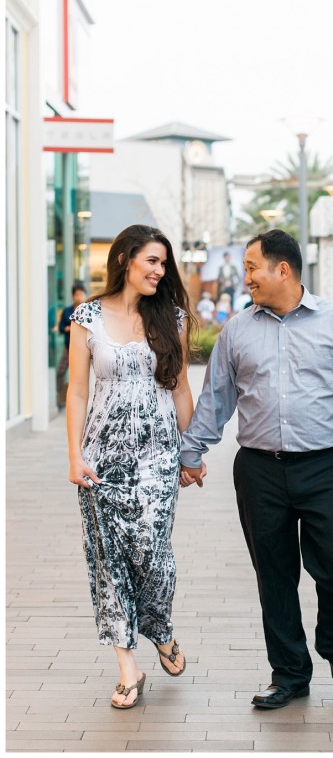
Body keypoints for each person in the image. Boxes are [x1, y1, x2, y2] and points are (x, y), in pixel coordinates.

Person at [180, 229, 333, 709]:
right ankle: (290, 673)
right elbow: (216, 400)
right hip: (259, 470)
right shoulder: (237, 330)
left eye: (253, 267)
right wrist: (192, 453)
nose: (246, 277)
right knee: (273, 574)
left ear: (283, 270)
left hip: (326, 468)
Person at [66, 224, 198, 710]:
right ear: (125, 260)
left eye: (165, 264)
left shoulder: (172, 317)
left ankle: (159, 628)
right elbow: (77, 391)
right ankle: (128, 668)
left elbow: (181, 388)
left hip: (159, 456)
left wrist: (192, 452)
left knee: (152, 552)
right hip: (102, 459)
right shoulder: (87, 317)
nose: (160, 272)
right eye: (152, 262)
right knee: (107, 561)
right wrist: (75, 455)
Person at [56, 284, 88, 408]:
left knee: (81, 376)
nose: (79, 297)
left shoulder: (88, 310)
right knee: (60, 372)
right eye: (77, 294)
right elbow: (61, 328)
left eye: (81, 294)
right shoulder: (67, 311)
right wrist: (69, 328)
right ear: (73, 296)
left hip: (84, 349)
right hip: (68, 347)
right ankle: (60, 398)